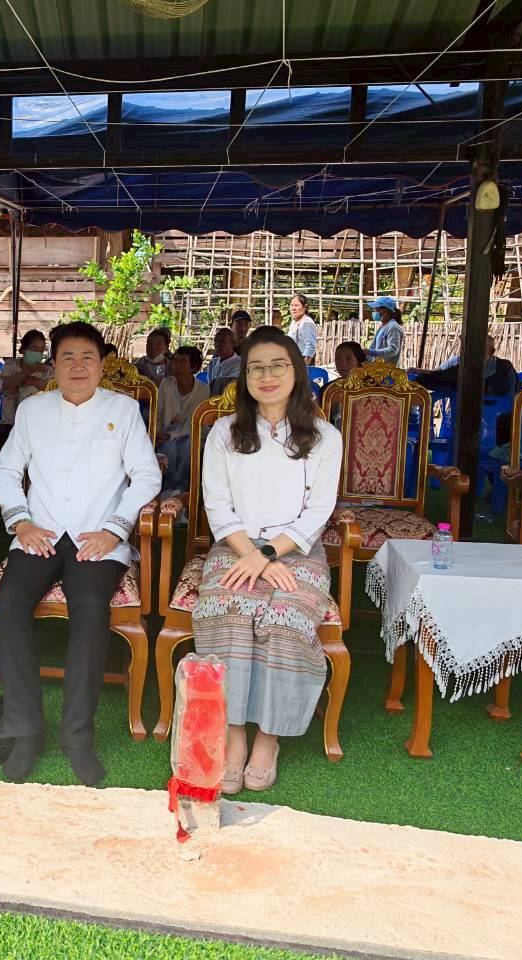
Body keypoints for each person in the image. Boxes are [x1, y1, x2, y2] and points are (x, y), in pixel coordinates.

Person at [0, 320, 161, 786]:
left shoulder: (123, 409)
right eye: (68, 357)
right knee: (10, 601)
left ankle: (77, 737)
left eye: (88, 357)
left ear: (102, 364)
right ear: (53, 365)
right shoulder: (33, 411)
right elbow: (7, 471)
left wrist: (114, 529)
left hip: (97, 537)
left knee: (90, 607)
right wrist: (21, 521)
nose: (78, 366)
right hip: (40, 532)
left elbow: (147, 476)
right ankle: (25, 731)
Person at [194, 325, 343, 794]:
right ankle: (234, 734)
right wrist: (254, 555)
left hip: (297, 550)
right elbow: (218, 506)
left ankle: (268, 738)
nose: (267, 376)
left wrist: (269, 554)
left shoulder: (324, 436)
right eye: (256, 368)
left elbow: (318, 511)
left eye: (277, 365)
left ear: (296, 371)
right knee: (229, 609)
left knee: (284, 617)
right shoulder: (224, 433)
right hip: (235, 546)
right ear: (244, 378)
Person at [156, 345, 210, 494]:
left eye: (182, 361)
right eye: (175, 361)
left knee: (188, 446)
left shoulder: (203, 389)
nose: (176, 365)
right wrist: (157, 433)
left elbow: (194, 421)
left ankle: (179, 489)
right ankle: (169, 489)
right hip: (168, 432)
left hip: (193, 432)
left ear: (194, 366)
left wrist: (170, 435)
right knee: (169, 448)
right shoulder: (166, 384)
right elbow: (158, 413)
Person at [0, 329, 52, 446]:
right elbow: (2, 385)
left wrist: (35, 381)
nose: (38, 353)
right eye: (35, 349)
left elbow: (54, 389)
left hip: (36, 426)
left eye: (41, 350)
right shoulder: (11, 365)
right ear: (24, 349)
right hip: (10, 424)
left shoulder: (47, 371)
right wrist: (27, 371)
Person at [410, 336, 519, 397]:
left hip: (502, 422)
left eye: (477, 349)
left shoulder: (505, 368)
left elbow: (512, 397)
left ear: (491, 352)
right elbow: (437, 376)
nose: (470, 353)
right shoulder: (461, 367)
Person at [365, 296, 404, 366]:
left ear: (386, 311)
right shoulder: (383, 326)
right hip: (379, 369)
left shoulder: (393, 327)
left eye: (376, 310)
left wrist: (371, 352)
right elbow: (374, 347)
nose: (374, 312)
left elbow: (393, 350)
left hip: (389, 370)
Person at [205, 328, 241, 397]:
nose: (217, 344)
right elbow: (209, 387)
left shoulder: (240, 364)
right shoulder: (213, 363)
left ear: (233, 343)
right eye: (215, 341)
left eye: (222, 341)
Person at [289, 294, 317, 364]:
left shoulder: (306, 322)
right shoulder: (294, 322)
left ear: (305, 307)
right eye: (292, 305)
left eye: (297, 305)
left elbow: (311, 346)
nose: (293, 308)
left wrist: (304, 366)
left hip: (302, 362)